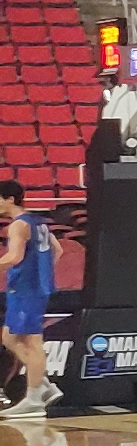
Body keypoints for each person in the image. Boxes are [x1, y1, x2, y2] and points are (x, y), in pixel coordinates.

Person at [0, 178, 51, 416]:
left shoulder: (18, 225)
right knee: (9, 338)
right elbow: (57, 251)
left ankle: (34, 400)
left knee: (32, 342)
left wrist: (30, 275)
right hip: (32, 287)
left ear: (9, 199)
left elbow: (14, 258)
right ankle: (43, 384)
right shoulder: (38, 222)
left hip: (26, 288)